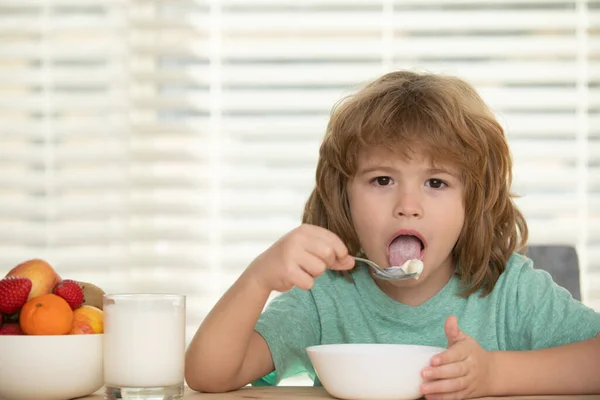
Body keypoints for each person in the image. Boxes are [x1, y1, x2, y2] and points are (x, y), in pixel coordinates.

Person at [184, 70, 600, 398]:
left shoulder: (508, 291)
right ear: (342, 197)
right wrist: (258, 279)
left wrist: (493, 374)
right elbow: (209, 375)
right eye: (382, 180)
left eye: (436, 183)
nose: (407, 204)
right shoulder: (325, 298)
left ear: (471, 204)